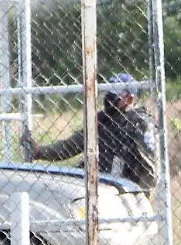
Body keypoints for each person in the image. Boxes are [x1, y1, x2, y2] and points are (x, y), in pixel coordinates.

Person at [22, 72, 158, 189]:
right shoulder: (102, 121)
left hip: (124, 191)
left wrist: (136, 197)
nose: (109, 98)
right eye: (108, 93)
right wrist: (39, 152)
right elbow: (70, 146)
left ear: (130, 98)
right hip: (96, 186)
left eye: (115, 95)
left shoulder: (140, 124)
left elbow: (149, 171)